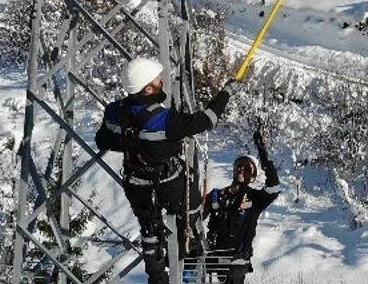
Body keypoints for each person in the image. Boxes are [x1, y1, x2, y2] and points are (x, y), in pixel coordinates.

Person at [96, 57, 239, 284]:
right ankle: (187, 244)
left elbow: (102, 140)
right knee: (189, 201)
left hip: (135, 181)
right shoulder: (164, 119)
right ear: (148, 87)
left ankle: (157, 276)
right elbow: (207, 120)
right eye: (157, 79)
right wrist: (226, 93)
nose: (161, 80)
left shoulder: (114, 111)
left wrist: (131, 143)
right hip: (167, 182)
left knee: (149, 227)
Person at [203, 128, 280, 284]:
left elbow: (273, 188)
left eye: (246, 167)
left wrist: (263, 155)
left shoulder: (255, 198)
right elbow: (196, 216)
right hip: (214, 258)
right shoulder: (218, 194)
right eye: (239, 165)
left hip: (237, 262)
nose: (241, 169)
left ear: (252, 176)